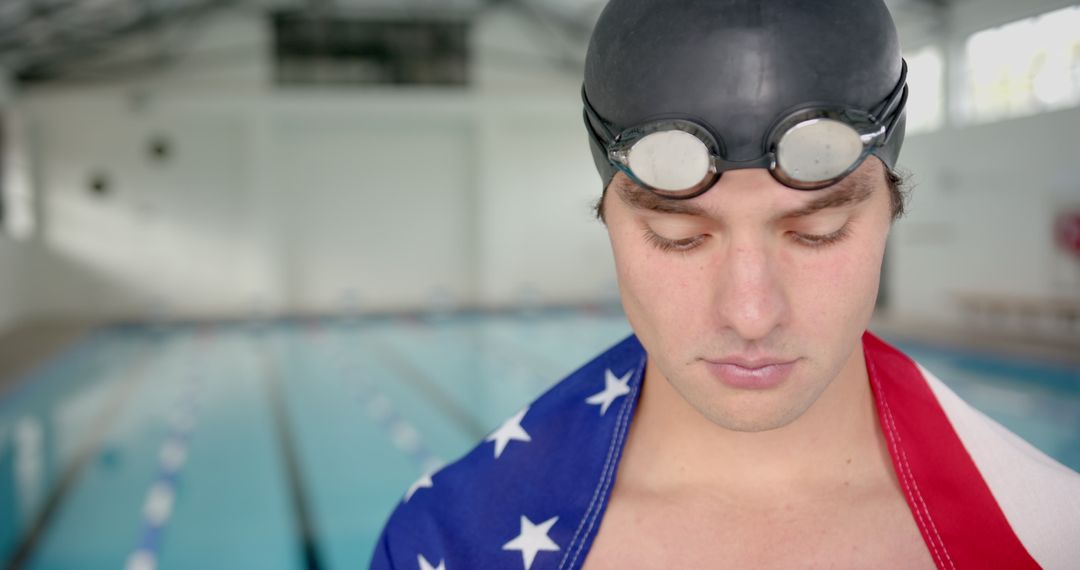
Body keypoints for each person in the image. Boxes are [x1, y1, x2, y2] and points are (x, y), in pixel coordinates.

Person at [371, 0, 1080, 568]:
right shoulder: (455, 541)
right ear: (608, 219)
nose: (750, 313)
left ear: (891, 210)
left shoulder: (1048, 535)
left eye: (816, 232)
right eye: (679, 238)